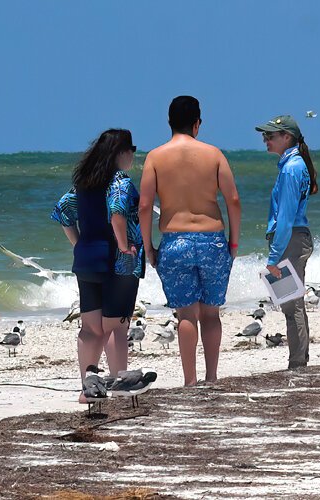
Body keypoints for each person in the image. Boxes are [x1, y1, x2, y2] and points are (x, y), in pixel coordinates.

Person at [138, 96, 242, 386]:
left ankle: (190, 381)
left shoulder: (156, 157)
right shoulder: (214, 154)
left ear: (169, 122)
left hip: (175, 240)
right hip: (212, 240)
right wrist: (233, 242)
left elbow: (144, 206)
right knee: (211, 313)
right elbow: (233, 200)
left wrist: (149, 248)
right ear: (197, 123)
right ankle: (211, 378)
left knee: (186, 314)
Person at [51, 128, 142, 401]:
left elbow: (62, 211)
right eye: (132, 150)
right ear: (121, 153)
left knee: (90, 329)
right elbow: (117, 214)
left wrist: (79, 244)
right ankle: (118, 386)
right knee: (116, 326)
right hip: (117, 262)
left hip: (87, 259)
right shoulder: (119, 181)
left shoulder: (84, 181)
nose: (133, 156)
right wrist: (125, 246)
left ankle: (88, 389)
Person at [254, 115, 317, 370]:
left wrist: (273, 258)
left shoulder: (292, 168)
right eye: (265, 136)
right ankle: (298, 360)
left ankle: (297, 362)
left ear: (287, 137)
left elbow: (286, 218)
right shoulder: (291, 165)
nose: (266, 140)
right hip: (293, 239)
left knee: (292, 305)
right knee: (292, 303)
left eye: (271, 136)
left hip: (290, 240)